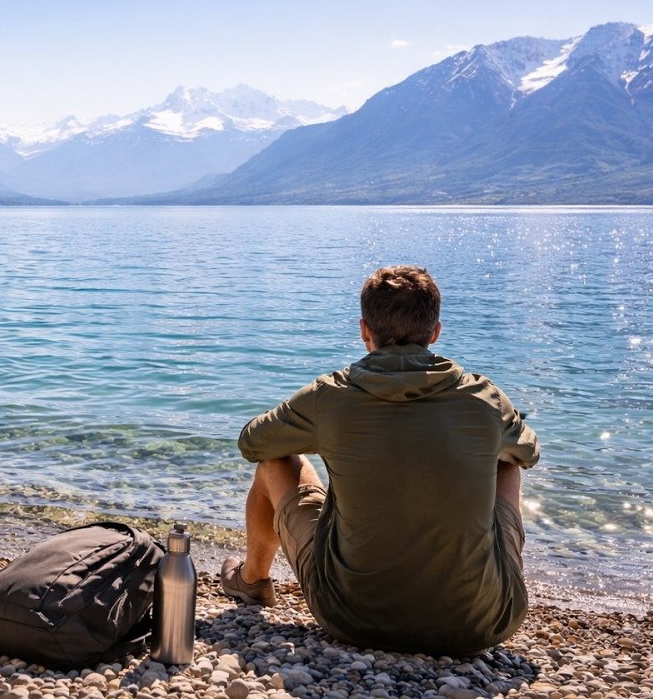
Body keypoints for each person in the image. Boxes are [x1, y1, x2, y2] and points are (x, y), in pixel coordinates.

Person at [221, 265, 540, 656]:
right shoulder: (484, 398)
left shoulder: (331, 396)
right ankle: (470, 584)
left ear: (364, 330)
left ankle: (252, 580)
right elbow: (529, 453)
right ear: (435, 332)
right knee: (506, 460)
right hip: (481, 623)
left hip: (351, 616)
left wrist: (331, 432)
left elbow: (253, 444)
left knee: (275, 462)